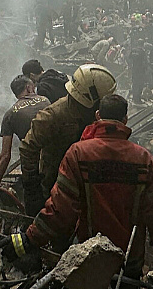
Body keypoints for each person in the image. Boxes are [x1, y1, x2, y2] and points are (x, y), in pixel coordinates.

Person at [1, 95, 153, 277]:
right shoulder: (144, 159)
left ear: (97, 115)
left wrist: (29, 238)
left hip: (90, 256)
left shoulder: (78, 153)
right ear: (125, 120)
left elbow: (61, 209)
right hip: (130, 260)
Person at [19, 64, 118, 219]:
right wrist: (32, 187)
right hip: (54, 181)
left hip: (85, 180)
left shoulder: (93, 114)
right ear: (90, 99)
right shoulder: (53, 116)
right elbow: (28, 147)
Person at [0, 75, 51, 211]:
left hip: (32, 166)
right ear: (28, 87)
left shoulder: (10, 114)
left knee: (33, 207)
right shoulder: (45, 100)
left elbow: (5, 156)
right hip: (55, 159)